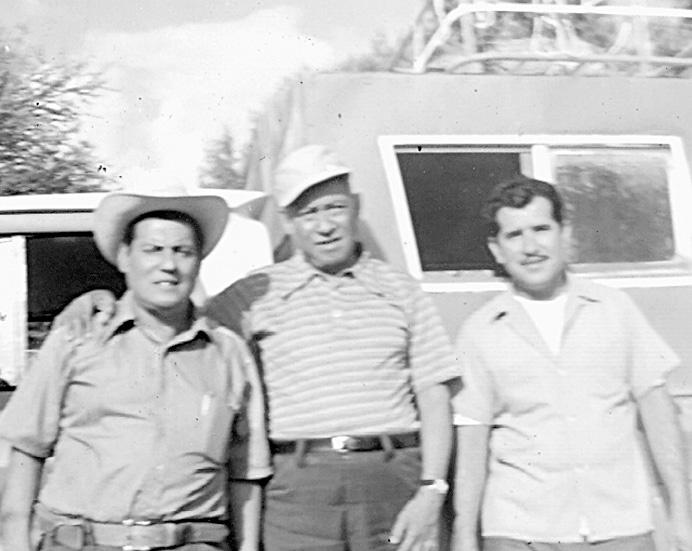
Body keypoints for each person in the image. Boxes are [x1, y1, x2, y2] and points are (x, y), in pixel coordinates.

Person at [52, 145, 460, 551]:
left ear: (355, 207)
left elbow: (434, 393)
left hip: (393, 477)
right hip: (297, 489)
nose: (324, 226)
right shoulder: (253, 294)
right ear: (288, 221)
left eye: (334, 208)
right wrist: (98, 299)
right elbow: (172, 318)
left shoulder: (402, 291)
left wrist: (432, 488)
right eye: (307, 213)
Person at [0, 189, 272, 551]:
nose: (169, 265)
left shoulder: (228, 353)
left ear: (198, 262)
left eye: (183, 251)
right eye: (153, 250)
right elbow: (26, 452)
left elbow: (245, 473)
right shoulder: (78, 339)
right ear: (125, 257)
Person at [452, 175, 692, 551]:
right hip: (520, 533)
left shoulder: (616, 310)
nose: (530, 247)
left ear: (564, 235)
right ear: (496, 250)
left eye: (541, 229)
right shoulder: (479, 331)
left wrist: (682, 511)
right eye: (514, 235)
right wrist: (464, 536)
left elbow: (659, 413)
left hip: (620, 527)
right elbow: (471, 440)